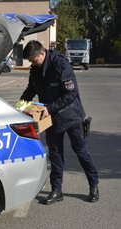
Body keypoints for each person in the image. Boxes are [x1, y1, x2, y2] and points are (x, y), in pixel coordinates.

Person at [20, 40, 99, 205]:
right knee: (55, 155)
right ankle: (57, 190)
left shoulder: (60, 64)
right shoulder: (35, 69)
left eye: (34, 60)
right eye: (31, 62)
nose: (33, 64)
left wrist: (50, 108)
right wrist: (20, 105)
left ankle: (93, 185)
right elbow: (31, 88)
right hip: (51, 119)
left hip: (71, 116)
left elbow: (71, 94)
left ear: (42, 53)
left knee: (81, 152)